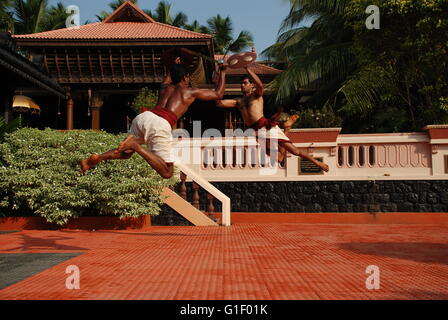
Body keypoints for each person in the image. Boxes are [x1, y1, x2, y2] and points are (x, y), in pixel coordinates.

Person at [80, 62, 227, 178]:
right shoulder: (189, 92)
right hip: (160, 123)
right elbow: (218, 94)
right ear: (185, 78)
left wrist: (174, 65)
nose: (189, 80)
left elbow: (169, 76)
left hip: (143, 118)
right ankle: (136, 146)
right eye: (188, 77)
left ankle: (95, 159)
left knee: (126, 153)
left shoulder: (164, 87)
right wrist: (223, 72)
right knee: (167, 173)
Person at [215, 66, 329, 172]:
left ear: (252, 85)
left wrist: (247, 69)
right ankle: (287, 127)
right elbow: (218, 102)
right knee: (278, 159)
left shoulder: (256, 95)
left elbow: (260, 85)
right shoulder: (238, 101)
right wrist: (222, 75)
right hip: (256, 132)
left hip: (266, 127)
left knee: (295, 151)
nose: (242, 85)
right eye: (241, 83)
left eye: (245, 83)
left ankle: (317, 163)